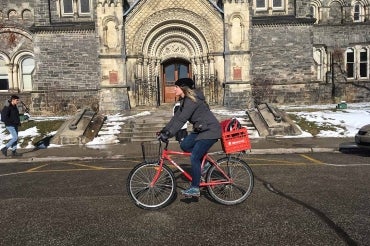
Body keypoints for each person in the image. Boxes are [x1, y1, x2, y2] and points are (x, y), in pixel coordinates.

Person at [158, 78, 221, 197]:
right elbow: (176, 118)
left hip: (210, 130)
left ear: (183, 88)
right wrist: (164, 130)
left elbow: (182, 120)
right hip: (201, 129)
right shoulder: (184, 101)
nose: (174, 89)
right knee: (185, 144)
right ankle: (206, 165)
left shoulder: (192, 101)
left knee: (194, 157)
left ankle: (195, 188)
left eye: (176, 87)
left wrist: (169, 134)